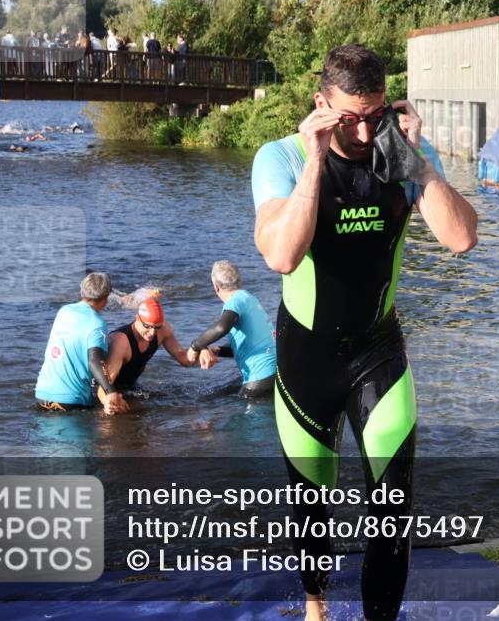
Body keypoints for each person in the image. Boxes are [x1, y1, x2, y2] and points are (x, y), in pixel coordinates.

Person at [251, 44, 477, 621]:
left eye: (374, 116)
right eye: (349, 117)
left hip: (377, 350)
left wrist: (417, 158)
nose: (362, 130)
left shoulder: (401, 155)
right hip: (306, 360)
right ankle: (315, 602)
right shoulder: (278, 158)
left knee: (392, 502)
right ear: (321, 104)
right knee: (311, 503)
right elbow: (280, 255)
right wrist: (314, 160)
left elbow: (461, 239)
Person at [34, 273, 128, 414]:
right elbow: (95, 360)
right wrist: (111, 392)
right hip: (72, 401)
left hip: (42, 395)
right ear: (106, 298)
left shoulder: (63, 311)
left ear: (81, 292)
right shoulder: (97, 325)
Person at [186, 261, 276, 398]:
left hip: (260, 376)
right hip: (276, 370)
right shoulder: (249, 298)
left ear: (216, 287)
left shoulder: (235, 301)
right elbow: (252, 342)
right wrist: (219, 351)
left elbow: (221, 327)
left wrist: (195, 346)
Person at [104, 297, 195, 393]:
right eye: (147, 326)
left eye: (157, 327)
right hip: (108, 390)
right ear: (137, 318)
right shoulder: (120, 341)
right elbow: (104, 385)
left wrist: (201, 348)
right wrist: (111, 402)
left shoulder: (163, 330)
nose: (152, 333)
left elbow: (185, 359)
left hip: (131, 388)